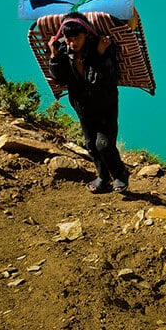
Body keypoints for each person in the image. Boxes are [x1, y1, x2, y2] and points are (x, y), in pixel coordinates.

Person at [48, 12, 129, 194]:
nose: (72, 43)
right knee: (91, 145)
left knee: (104, 144)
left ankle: (120, 174)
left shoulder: (101, 47)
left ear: (86, 34)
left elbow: (108, 78)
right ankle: (103, 177)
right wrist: (54, 56)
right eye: (68, 39)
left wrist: (100, 55)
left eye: (76, 38)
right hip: (82, 107)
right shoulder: (62, 51)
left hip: (105, 105)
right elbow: (60, 79)